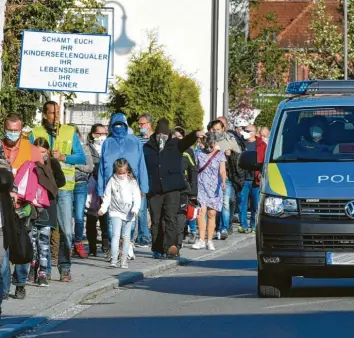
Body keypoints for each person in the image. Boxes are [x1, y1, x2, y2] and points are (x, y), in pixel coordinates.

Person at [30, 101, 86, 282]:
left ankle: (65, 266)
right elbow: (29, 157)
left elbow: (81, 157)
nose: (55, 117)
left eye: (58, 113)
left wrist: (64, 157)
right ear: (45, 114)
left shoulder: (69, 131)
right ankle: (38, 266)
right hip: (42, 188)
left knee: (66, 231)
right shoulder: (35, 132)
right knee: (38, 230)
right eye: (52, 113)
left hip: (64, 188)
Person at [143, 118, 204, 259]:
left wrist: (195, 134)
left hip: (173, 188)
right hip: (155, 189)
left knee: (171, 218)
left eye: (164, 135)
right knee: (156, 220)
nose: (161, 138)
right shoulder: (147, 147)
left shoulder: (175, 144)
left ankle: (171, 247)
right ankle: (157, 248)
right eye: (159, 135)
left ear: (168, 134)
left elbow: (187, 141)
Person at [1, 113, 43, 299]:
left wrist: (34, 205)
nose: (12, 134)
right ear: (4, 129)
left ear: (21, 129)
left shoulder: (30, 149)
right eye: (9, 130)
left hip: (24, 205)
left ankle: (20, 282)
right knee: (4, 249)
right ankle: (3, 288)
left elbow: (41, 177)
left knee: (22, 245)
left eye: (16, 131)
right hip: (3, 205)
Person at [98, 113, 149, 259]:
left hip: (131, 186)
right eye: (116, 124)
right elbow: (102, 167)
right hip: (112, 187)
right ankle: (116, 249)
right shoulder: (107, 143)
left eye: (121, 124)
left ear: (126, 125)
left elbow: (141, 164)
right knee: (111, 221)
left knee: (131, 219)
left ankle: (128, 244)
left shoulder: (135, 142)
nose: (119, 127)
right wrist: (101, 189)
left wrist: (143, 187)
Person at [30, 138, 66, 286]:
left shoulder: (53, 163)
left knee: (44, 240)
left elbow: (61, 181)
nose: (41, 155)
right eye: (37, 152)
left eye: (43, 152)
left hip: (48, 204)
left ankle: (43, 272)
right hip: (32, 205)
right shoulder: (30, 164)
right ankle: (33, 266)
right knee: (32, 241)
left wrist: (48, 187)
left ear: (48, 151)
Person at [98, 159, 141, 269]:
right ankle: (114, 258)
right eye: (119, 173)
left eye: (123, 173)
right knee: (115, 235)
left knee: (126, 237)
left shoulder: (132, 181)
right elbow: (107, 196)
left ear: (128, 171)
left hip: (129, 212)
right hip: (115, 211)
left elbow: (137, 197)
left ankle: (124, 260)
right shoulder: (112, 180)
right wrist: (103, 208)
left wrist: (135, 208)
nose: (121, 175)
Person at [192, 133, 227, 250]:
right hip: (201, 186)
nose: (209, 148)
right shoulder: (199, 153)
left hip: (214, 187)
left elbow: (222, 170)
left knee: (212, 214)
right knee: (201, 213)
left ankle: (210, 240)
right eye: (208, 145)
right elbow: (194, 168)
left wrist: (223, 181)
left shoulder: (220, 155)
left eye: (211, 145)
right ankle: (201, 239)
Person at [208, 119, 240, 240]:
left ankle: (224, 228)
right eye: (214, 130)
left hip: (226, 176)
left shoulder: (230, 140)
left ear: (223, 129)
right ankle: (216, 228)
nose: (216, 132)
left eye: (218, 129)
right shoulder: (209, 141)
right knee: (215, 204)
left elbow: (239, 157)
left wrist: (230, 153)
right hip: (211, 178)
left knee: (226, 202)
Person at [68, 124, 93, 259]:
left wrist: (73, 161)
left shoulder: (84, 148)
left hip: (80, 184)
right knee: (67, 217)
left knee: (78, 216)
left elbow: (89, 167)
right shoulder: (63, 149)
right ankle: (68, 244)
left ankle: (78, 242)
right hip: (66, 184)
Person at [238, 124, 266, 233]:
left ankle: (254, 225)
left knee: (255, 204)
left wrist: (261, 173)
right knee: (242, 203)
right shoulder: (240, 144)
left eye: (247, 130)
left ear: (253, 132)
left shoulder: (261, 145)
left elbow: (264, 160)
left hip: (256, 179)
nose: (244, 131)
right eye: (244, 129)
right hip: (243, 178)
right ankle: (244, 226)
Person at [172, 127, 198, 245]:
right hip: (169, 189)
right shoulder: (166, 150)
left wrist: (193, 192)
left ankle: (178, 241)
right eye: (175, 136)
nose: (177, 139)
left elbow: (193, 170)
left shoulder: (188, 151)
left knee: (181, 216)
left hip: (183, 189)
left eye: (180, 137)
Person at [86, 124, 109, 256]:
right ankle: (92, 246)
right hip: (92, 182)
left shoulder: (108, 147)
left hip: (105, 183)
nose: (102, 137)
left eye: (104, 134)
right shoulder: (88, 147)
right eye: (99, 134)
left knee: (104, 213)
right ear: (93, 134)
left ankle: (105, 242)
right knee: (91, 215)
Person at [134, 113, 154, 247]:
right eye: (139, 124)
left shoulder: (156, 139)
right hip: (140, 178)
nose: (140, 126)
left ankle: (155, 234)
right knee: (141, 209)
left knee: (154, 210)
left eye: (142, 124)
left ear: (149, 124)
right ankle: (143, 236)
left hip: (154, 178)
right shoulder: (136, 140)